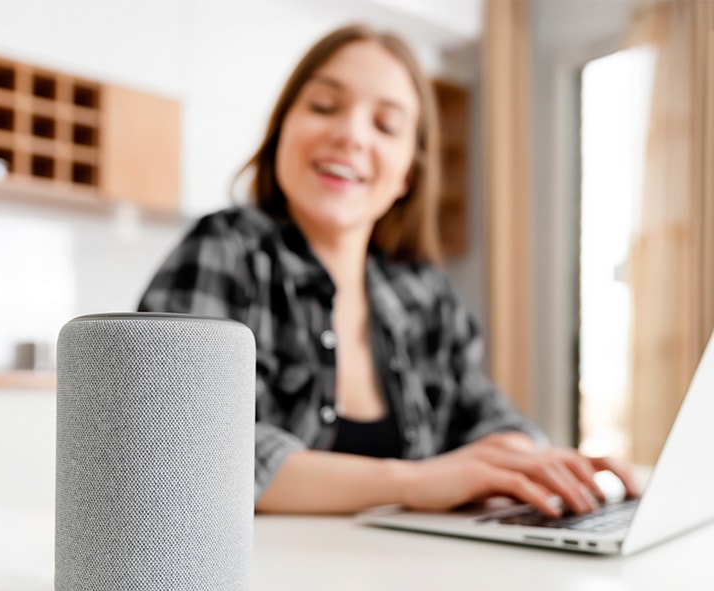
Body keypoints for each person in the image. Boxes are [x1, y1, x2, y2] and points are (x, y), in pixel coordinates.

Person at [138, 23, 639, 515]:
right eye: (323, 106)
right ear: (282, 128)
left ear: (407, 174)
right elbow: (180, 449)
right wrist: (418, 482)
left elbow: (490, 415)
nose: (350, 134)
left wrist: (523, 462)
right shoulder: (227, 249)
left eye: (386, 126)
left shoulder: (423, 292)